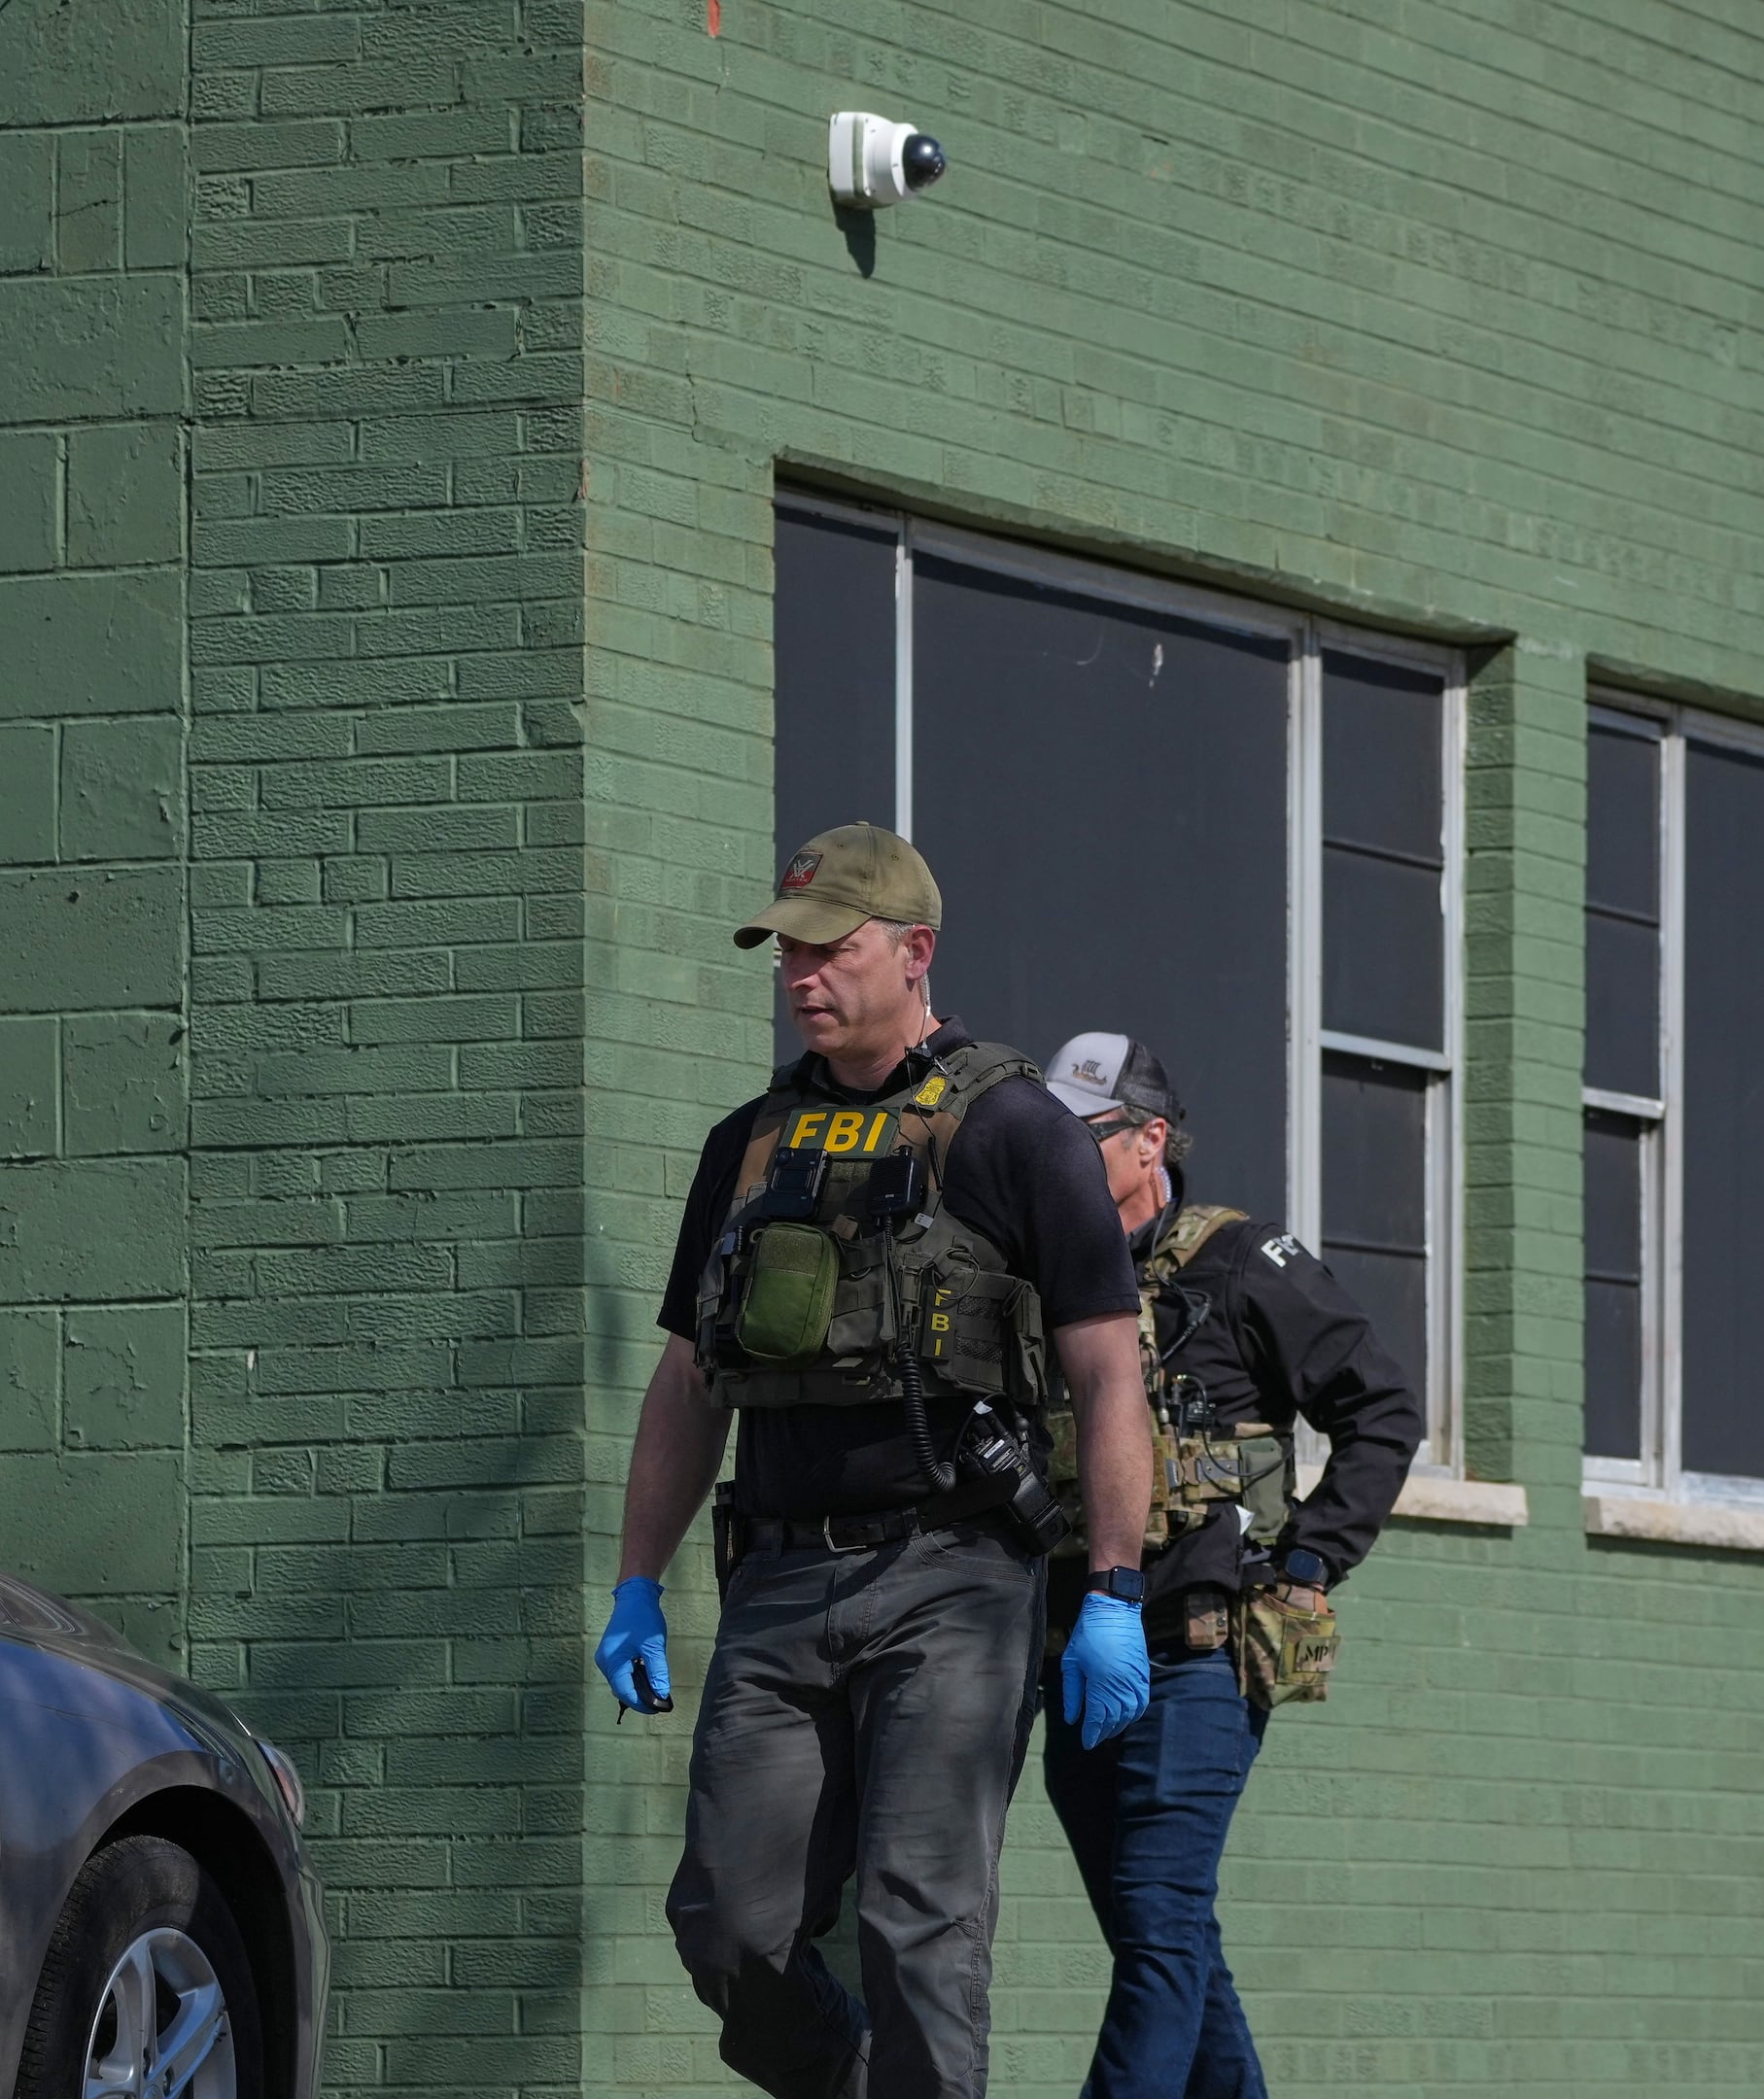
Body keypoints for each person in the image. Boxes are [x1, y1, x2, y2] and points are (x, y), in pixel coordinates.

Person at [595, 823, 1161, 2099]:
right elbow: (691, 1375)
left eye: (830, 947)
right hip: (782, 1584)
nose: (801, 973)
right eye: (785, 949)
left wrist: (1115, 1592)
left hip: (956, 1574)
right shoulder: (747, 1144)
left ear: (915, 952)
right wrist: (638, 1578)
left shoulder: (1017, 1129)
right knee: (728, 1928)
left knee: (921, 1925)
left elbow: (1108, 1368)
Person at [1031, 1030, 1426, 2099]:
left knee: (1159, 1926)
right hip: (1076, 1661)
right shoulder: (1043, 1273)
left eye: (1088, 1137)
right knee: (1168, 1942)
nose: (1061, 1160)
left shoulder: (1242, 1263)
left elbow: (1383, 1412)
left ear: (1151, 1138)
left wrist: (1307, 1563)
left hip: (1201, 1662)